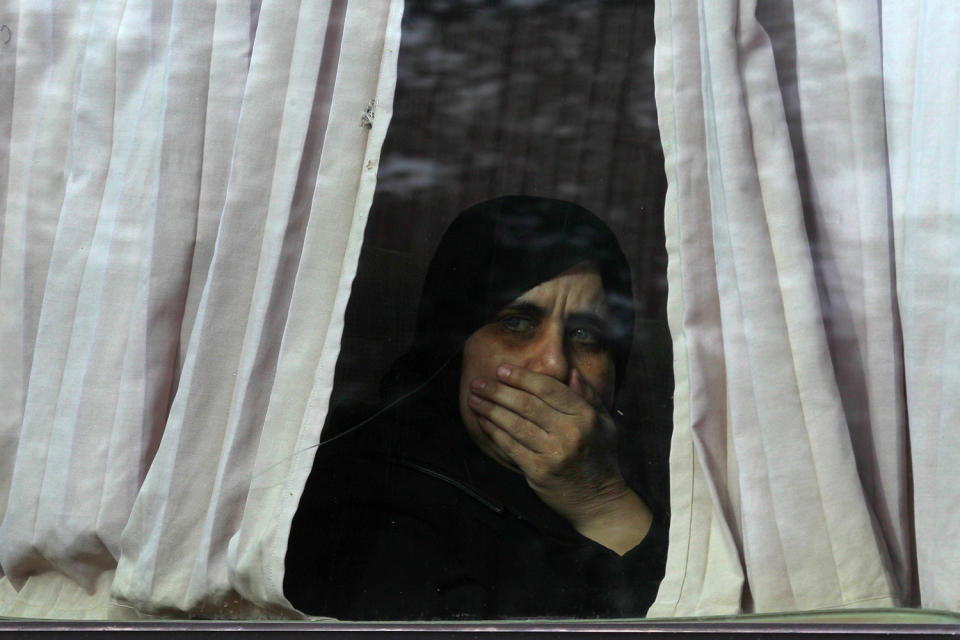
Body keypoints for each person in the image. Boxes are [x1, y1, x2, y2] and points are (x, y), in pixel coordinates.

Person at [284, 196, 667, 620]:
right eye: (516, 323)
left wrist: (603, 502)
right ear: (452, 351)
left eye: (585, 333)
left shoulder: (652, 479)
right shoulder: (365, 503)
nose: (555, 364)